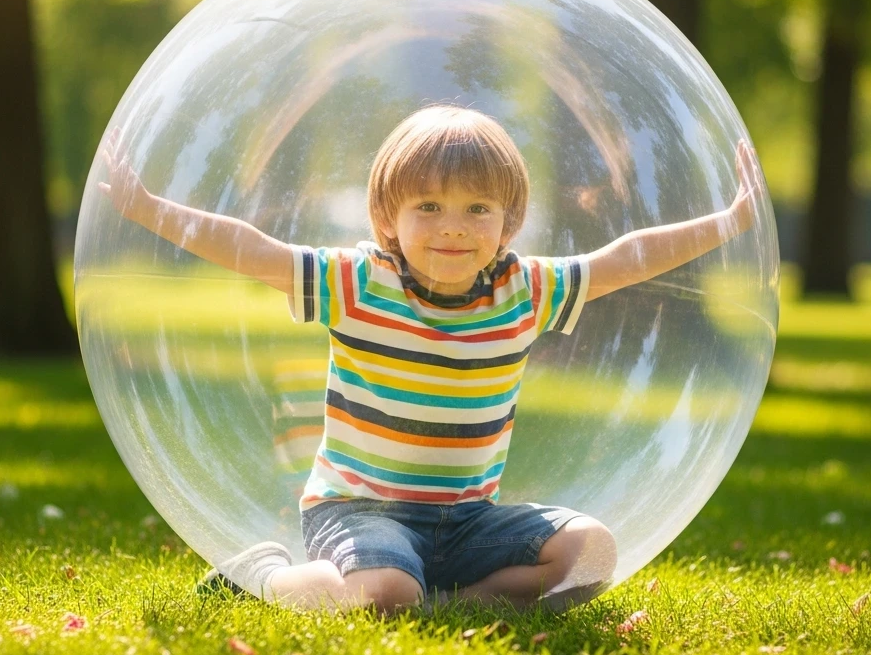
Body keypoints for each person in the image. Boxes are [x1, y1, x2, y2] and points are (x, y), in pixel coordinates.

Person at [100, 105, 763, 616]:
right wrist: (147, 208)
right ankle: (265, 577)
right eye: (429, 207)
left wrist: (730, 222)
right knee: (385, 593)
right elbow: (255, 249)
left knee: (590, 554)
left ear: (509, 224)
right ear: (389, 218)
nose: (453, 226)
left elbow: (626, 258)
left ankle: (445, 602)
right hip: (360, 511)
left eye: (478, 209)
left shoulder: (523, 291)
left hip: (468, 518)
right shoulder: (360, 283)